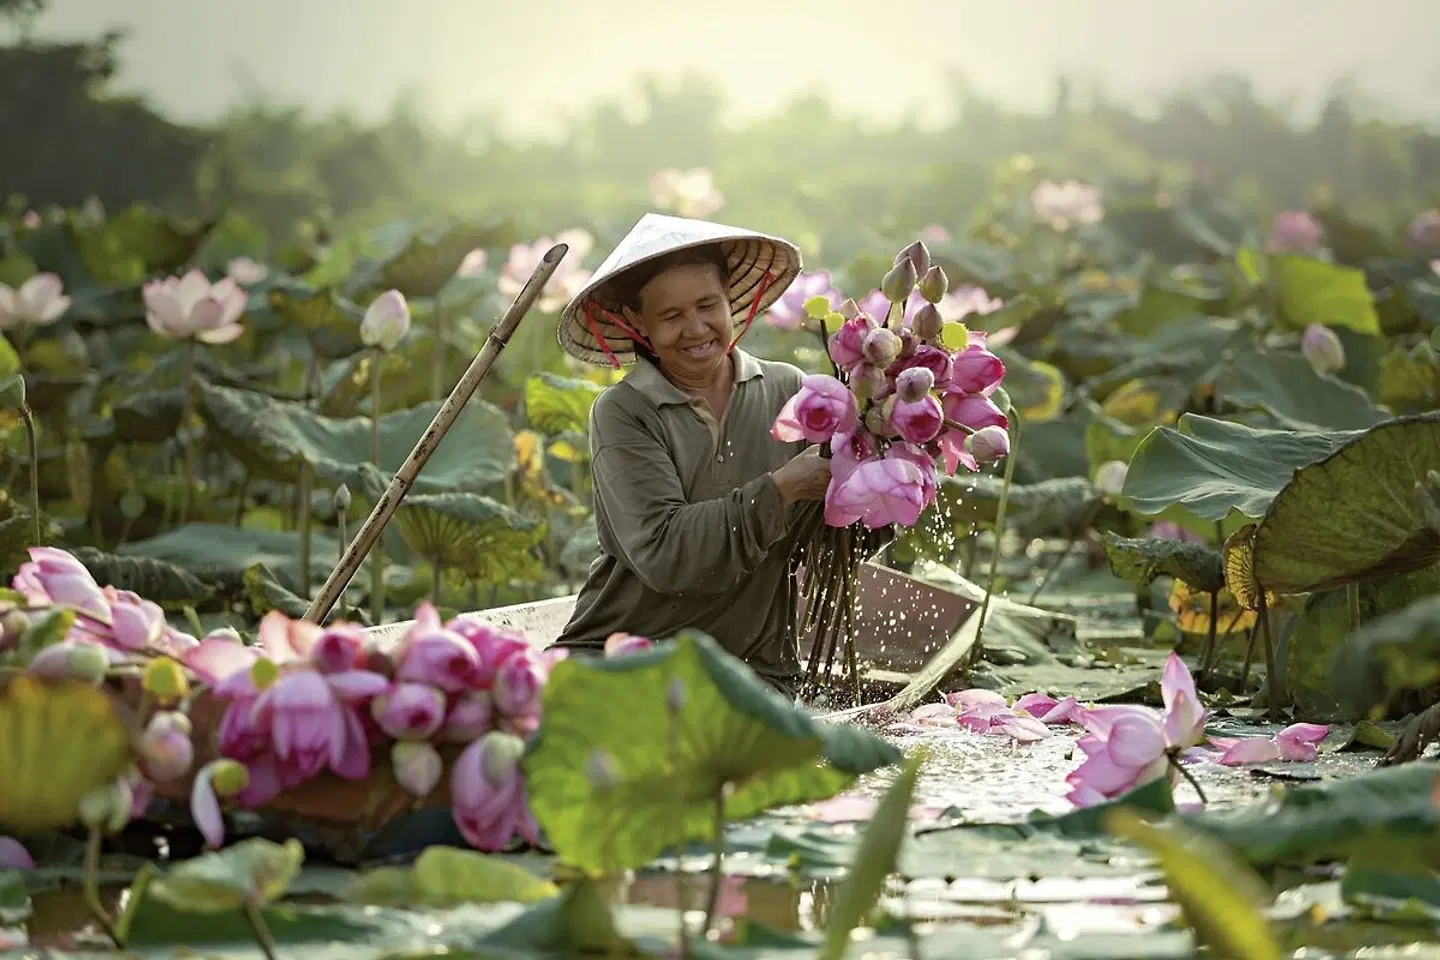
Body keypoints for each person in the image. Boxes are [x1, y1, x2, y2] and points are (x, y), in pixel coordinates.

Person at [551, 213, 833, 698]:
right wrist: (782, 488)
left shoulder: (790, 390)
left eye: (708, 306)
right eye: (671, 316)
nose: (696, 328)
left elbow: (831, 544)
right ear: (639, 322)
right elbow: (665, 555)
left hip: (755, 672)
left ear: (730, 301)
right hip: (622, 661)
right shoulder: (624, 411)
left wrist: (883, 462)